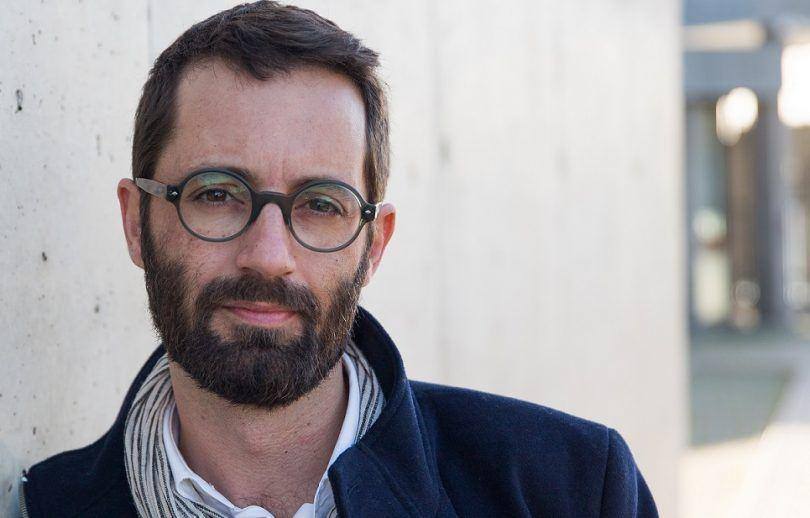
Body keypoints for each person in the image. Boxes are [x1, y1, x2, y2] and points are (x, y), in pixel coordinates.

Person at [20, 2, 658, 517]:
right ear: (136, 222)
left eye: (320, 205)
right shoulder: (43, 508)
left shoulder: (570, 491)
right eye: (216, 194)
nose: (269, 257)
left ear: (374, 244)